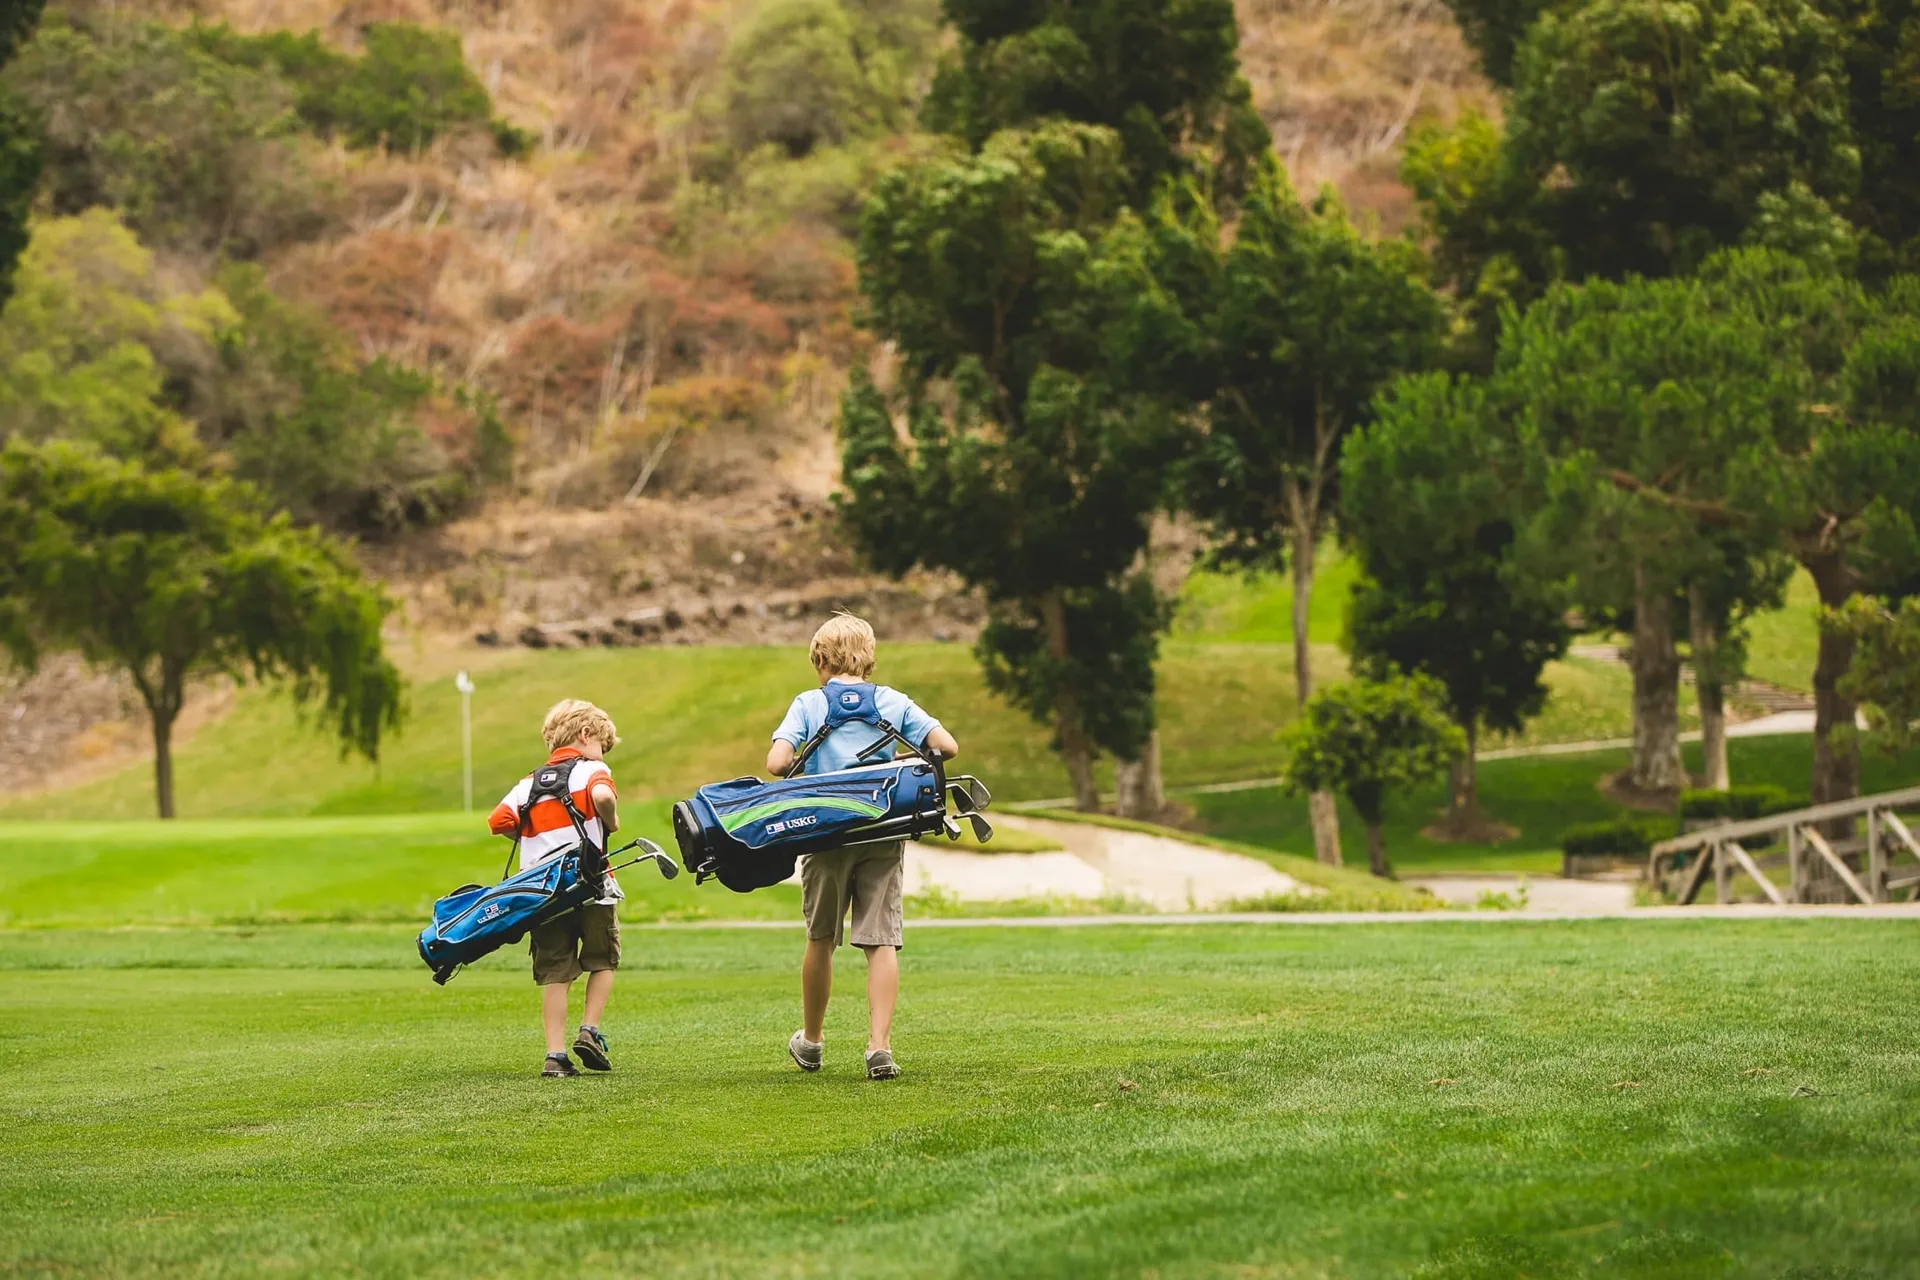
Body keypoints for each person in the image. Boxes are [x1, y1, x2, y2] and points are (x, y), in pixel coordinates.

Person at [768, 611, 959, 1081]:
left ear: (821, 660)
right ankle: (879, 1047)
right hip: (883, 830)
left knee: (820, 939)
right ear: (868, 658)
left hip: (827, 834)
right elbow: (946, 746)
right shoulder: (892, 701)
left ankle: (812, 1042)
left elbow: (776, 762)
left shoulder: (810, 703)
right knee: (881, 940)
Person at [488, 699, 623, 1078]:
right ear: (586, 734)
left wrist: (533, 837)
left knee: (556, 973)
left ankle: (555, 1056)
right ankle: (589, 1031)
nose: (603, 753)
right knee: (602, 959)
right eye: (602, 745)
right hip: (591, 885)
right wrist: (611, 822)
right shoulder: (593, 770)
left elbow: (498, 821)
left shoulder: (527, 783)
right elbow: (603, 797)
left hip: (543, 894)